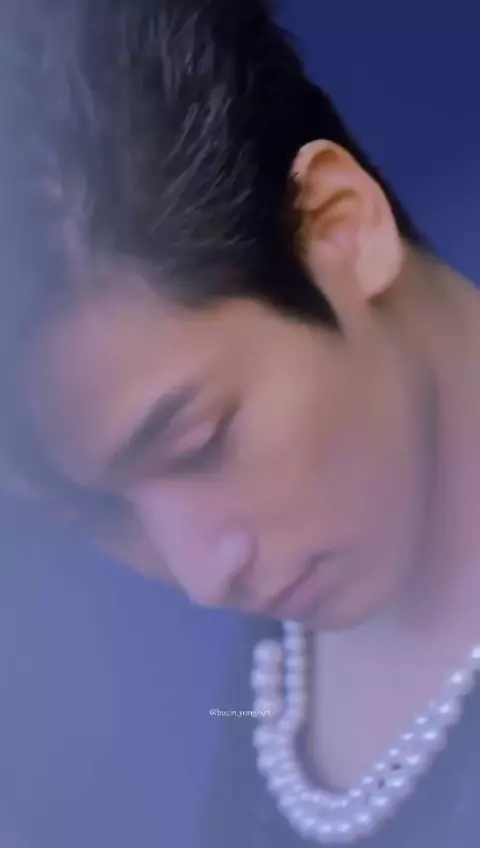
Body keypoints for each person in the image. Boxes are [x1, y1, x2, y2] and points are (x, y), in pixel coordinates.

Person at [3, 0, 480, 845]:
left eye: (199, 444)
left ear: (339, 226)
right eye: (103, 516)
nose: (202, 578)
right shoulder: (277, 670)